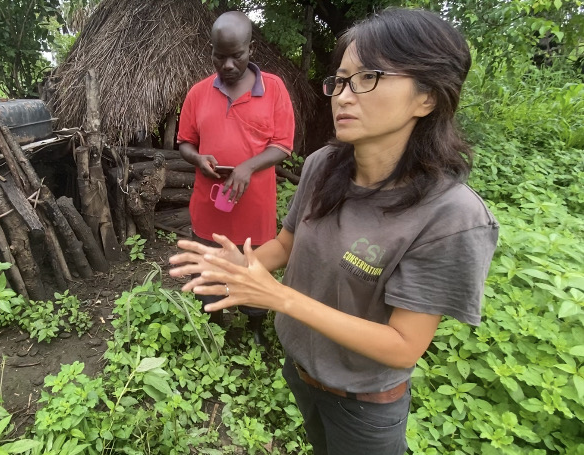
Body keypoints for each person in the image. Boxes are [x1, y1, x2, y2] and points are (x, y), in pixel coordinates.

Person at [170, 8, 498, 455]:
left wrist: (278, 297)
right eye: (340, 81)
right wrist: (239, 266)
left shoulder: (451, 217)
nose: (344, 96)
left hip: (363, 405)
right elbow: (285, 244)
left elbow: (404, 347)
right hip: (301, 371)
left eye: (368, 78)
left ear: (427, 97)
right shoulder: (322, 166)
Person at [176, 11, 295, 346]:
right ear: (211, 50)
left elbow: (283, 145)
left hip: (253, 207)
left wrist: (247, 167)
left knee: (253, 263)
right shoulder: (198, 93)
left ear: (250, 49)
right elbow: (185, 141)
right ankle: (214, 322)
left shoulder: (273, 89)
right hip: (210, 204)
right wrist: (197, 158)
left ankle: (254, 325)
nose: (227, 64)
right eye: (219, 55)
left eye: (236, 56)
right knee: (209, 263)